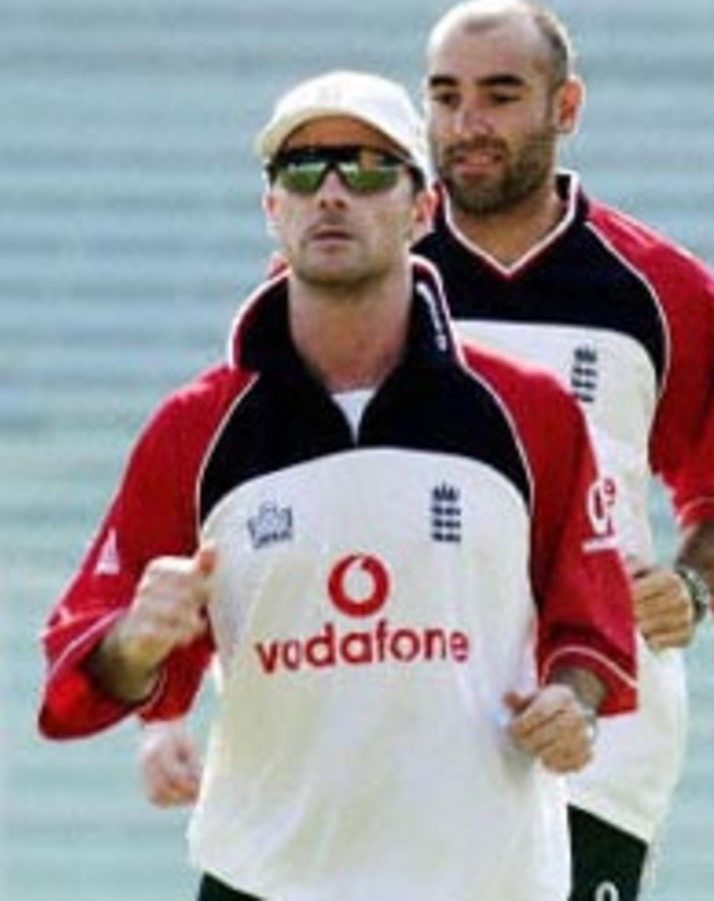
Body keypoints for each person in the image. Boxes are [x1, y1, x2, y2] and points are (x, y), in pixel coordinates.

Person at [138, 0, 714, 900]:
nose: (468, 124)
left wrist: (691, 585)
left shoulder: (658, 290)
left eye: (500, 95)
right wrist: (169, 703)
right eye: (445, 97)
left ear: (565, 108)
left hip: (590, 731)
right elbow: (238, 503)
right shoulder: (341, 272)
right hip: (390, 722)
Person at [38, 70, 638, 901]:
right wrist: (138, 641)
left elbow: (594, 618)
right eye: (301, 169)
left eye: (364, 168)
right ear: (271, 210)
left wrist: (571, 703)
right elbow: (84, 672)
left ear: (422, 209)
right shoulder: (195, 429)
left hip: (485, 880)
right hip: (268, 880)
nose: (330, 192)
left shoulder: (528, 413)